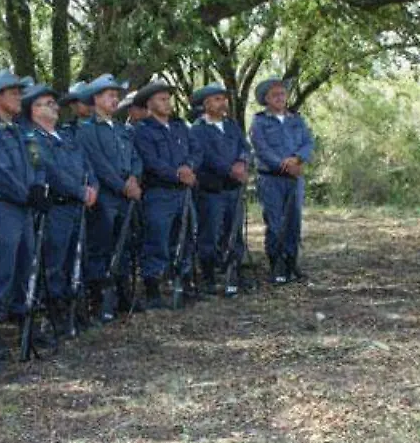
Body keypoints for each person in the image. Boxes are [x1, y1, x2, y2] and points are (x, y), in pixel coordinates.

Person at [0, 70, 50, 366]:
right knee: (0, 272)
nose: (19, 97)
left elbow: (36, 163)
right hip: (4, 208)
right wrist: (25, 193)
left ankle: (25, 325)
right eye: (13, 92)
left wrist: (37, 188)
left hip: (24, 209)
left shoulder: (20, 131)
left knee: (25, 267)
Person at [21, 82, 98, 334]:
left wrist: (92, 187)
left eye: (54, 102)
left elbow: (87, 165)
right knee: (54, 263)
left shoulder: (66, 136)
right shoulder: (32, 139)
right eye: (47, 103)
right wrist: (79, 191)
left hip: (78, 207)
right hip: (57, 208)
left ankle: (74, 309)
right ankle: (53, 316)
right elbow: (50, 171)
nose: (54, 107)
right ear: (32, 109)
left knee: (77, 259)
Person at [77, 74, 143, 322]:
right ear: (96, 99)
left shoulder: (122, 129)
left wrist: (135, 179)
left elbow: (135, 157)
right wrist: (121, 185)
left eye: (117, 95)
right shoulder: (86, 129)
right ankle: (99, 297)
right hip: (105, 196)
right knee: (101, 246)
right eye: (109, 95)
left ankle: (123, 293)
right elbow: (98, 163)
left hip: (127, 195)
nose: (115, 100)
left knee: (124, 244)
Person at [133, 80, 198, 309]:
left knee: (186, 236)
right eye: (161, 99)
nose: (167, 103)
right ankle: (153, 289)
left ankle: (186, 281)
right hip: (159, 193)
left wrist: (189, 167)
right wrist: (176, 174)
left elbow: (193, 150)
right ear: (149, 104)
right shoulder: (142, 130)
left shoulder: (180, 126)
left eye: (168, 98)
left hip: (183, 191)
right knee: (157, 240)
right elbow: (150, 161)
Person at [250, 76, 314, 283]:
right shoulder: (259, 122)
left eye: (282, 94)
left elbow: (307, 142)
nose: (280, 97)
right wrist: (283, 165)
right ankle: (276, 264)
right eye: (274, 95)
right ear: (266, 99)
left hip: (294, 179)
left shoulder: (296, 120)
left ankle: (291, 262)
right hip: (271, 179)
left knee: (294, 221)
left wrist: (297, 159)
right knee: (275, 222)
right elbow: (262, 148)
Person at [189, 82, 251, 296]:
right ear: (206, 104)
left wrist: (242, 163)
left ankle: (235, 272)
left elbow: (244, 147)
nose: (222, 102)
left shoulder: (232, 126)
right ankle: (208, 277)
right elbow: (205, 156)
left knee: (234, 232)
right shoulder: (198, 129)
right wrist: (229, 169)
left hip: (233, 188)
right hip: (211, 190)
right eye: (217, 99)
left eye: (223, 98)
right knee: (210, 233)